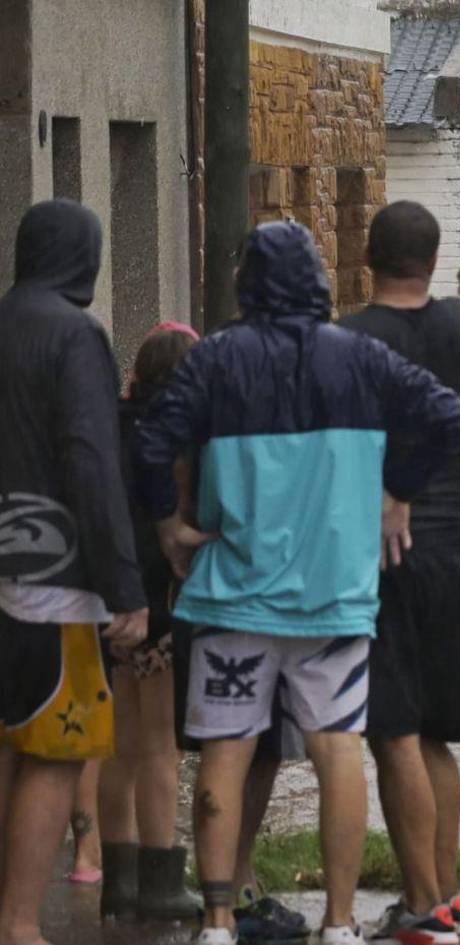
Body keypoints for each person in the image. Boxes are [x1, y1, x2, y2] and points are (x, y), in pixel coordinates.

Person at [135, 220, 460, 945]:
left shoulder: (215, 360)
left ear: (245, 284)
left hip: (232, 594)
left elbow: (149, 436)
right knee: (337, 749)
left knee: (225, 752)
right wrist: (398, 489)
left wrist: (167, 524)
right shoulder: (361, 358)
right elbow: (451, 415)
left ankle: (219, 921)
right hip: (335, 598)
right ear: (319, 280)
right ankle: (342, 922)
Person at [339, 200, 460, 945]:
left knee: (393, 728)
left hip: (385, 541)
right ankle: (448, 900)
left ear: (366, 258)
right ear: (430, 263)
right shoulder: (459, 327)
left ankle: (421, 907)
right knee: (435, 733)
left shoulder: (347, 340)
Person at [0, 199, 150, 945]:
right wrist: (125, 587)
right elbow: (93, 464)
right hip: (54, 583)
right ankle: (21, 924)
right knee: (55, 753)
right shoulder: (75, 336)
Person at [97, 324, 203, 921]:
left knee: (120, 747)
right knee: (162, 749)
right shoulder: (181, 434)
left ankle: (119, 882)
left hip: (111, 597)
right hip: (161, 599)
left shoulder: (112, 423)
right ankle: (163, 882)